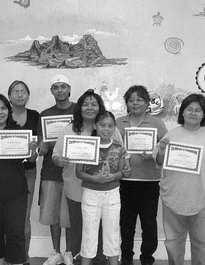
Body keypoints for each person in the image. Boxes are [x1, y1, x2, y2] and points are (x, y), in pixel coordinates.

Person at [154, 93, 205, 265]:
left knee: (202, 244)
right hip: (172, 196)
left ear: (204, 115)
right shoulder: (171, 135)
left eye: (198, 110)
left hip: (202, 197)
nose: (193, 113)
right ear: (183, 112)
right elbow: (158, 161)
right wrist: (162, 152)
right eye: (189, 109)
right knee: (173, 242)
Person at [52, 89, 123, 264]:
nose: (90, 108)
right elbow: (56, 154)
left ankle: (101, 261)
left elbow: (120, 155)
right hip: (75, 189)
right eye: (85, 104)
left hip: (105, 191)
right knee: (80, 231)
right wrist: (58, 160)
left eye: (94, 104)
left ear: (100, 107)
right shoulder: (69, 129)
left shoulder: (109, 128)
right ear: (79, 108)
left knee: (104, 232)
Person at [0, 94, 37, 265]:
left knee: (16, 234)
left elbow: (31, 161)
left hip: (16, 192)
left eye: (3, 108)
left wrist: (33, 151)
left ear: (9, 111)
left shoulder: (19, 132)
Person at [116, 85, 168, 265]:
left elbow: (166, 149)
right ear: (126, 103)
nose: (135, 103)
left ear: (147, 103)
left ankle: (147, 258)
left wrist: (153, 154)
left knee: (148, 222)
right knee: (125, 223)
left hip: (149, 181)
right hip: (123, 180)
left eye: (139, 99)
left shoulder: (157, 123)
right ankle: (126, 257)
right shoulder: (118, 122)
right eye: (131, 100)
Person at [76, 111, 128, 265]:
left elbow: (122, 172)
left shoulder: (119, 147)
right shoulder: (86, 144)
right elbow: (78, 172)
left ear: (114, 128)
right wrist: (94, 179)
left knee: (112, 234)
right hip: (91, 194)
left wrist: (113, 176)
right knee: (89, 234)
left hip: (112, 195)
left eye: (110, 126)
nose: (106, 129)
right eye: (102, 125)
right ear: (95, 126)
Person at [37, 74, 75, 265]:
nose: (60, 90)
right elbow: (40, 143)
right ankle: (55, 252)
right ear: (51, 90)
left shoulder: (78, 110)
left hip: (73, 173)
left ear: (69, 89)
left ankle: (69, 252)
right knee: (52, 214)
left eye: (63, 86)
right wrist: (42, 145)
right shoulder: (44, 115)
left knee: (68, 215)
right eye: (56, 87)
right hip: (50, 172)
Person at [8, 80, 40, 265]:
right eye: (15, 91)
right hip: (5, 172)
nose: (20, 94)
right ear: (9, 96)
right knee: (6, 216)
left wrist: (34, 152)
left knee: (23, 217)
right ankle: (7, 257)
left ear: (28, 95)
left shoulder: (35, 116)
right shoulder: (2, 114)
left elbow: (38, 146)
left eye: (23, 91)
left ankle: (23, 258)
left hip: (28, 171)